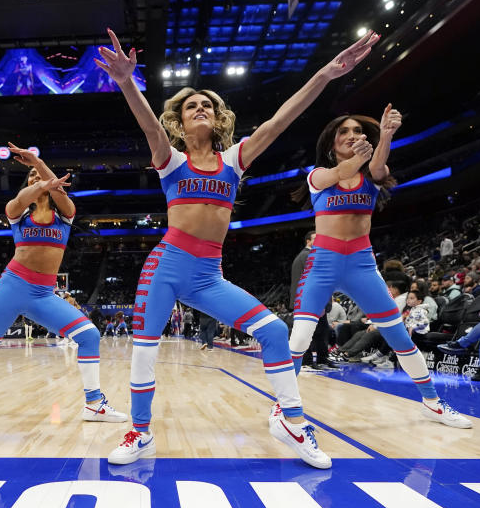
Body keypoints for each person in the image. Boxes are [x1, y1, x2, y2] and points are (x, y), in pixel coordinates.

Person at [96, 27, 380, 468]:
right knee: (145, 351)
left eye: (207, 104)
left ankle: (290, 421)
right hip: (166, 266)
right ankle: (140, 432)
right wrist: (126, 82)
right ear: (180, 121)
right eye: (192, 106)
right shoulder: (170, 159)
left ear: (218, 117)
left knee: (272, 332)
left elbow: (281, 119)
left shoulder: (234, 160)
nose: (201, 108)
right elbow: (148, 124)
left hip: (209, 273)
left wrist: (326, 74)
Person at [287, 105, 472, 436]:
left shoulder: (372, 174)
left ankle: (433, 402)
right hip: (323, 263)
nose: (351, 135)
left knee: (400, 336)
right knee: (300, 337)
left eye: (356, 130)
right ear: (331, 144)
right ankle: (284, 407)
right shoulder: (317, 176)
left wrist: (386, 134)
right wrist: (361, 154)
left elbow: (376, 167)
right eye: (343, 131)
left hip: (361, 264)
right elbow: (342, 172)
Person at [0, 144, 125, 424]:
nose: (35, 178)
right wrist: (40, 180)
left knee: (90, 335)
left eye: (38, 175)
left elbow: (58, 191)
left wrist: (40, 165)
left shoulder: (65, 215)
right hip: (11, 287)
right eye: (30, 176)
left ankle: (94, 404)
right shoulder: (17, 212)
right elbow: (23, 197)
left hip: (43, 294)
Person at [291, 231, 336, 370]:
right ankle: (308, 361)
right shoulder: (308, 256)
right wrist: (318, 303)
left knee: (321, 332)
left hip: (309, 301)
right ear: (308, 242)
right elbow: (312, 282)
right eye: (315, 239)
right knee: (312, 333)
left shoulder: (306, 255)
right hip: (311, 302)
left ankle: (321, 359)